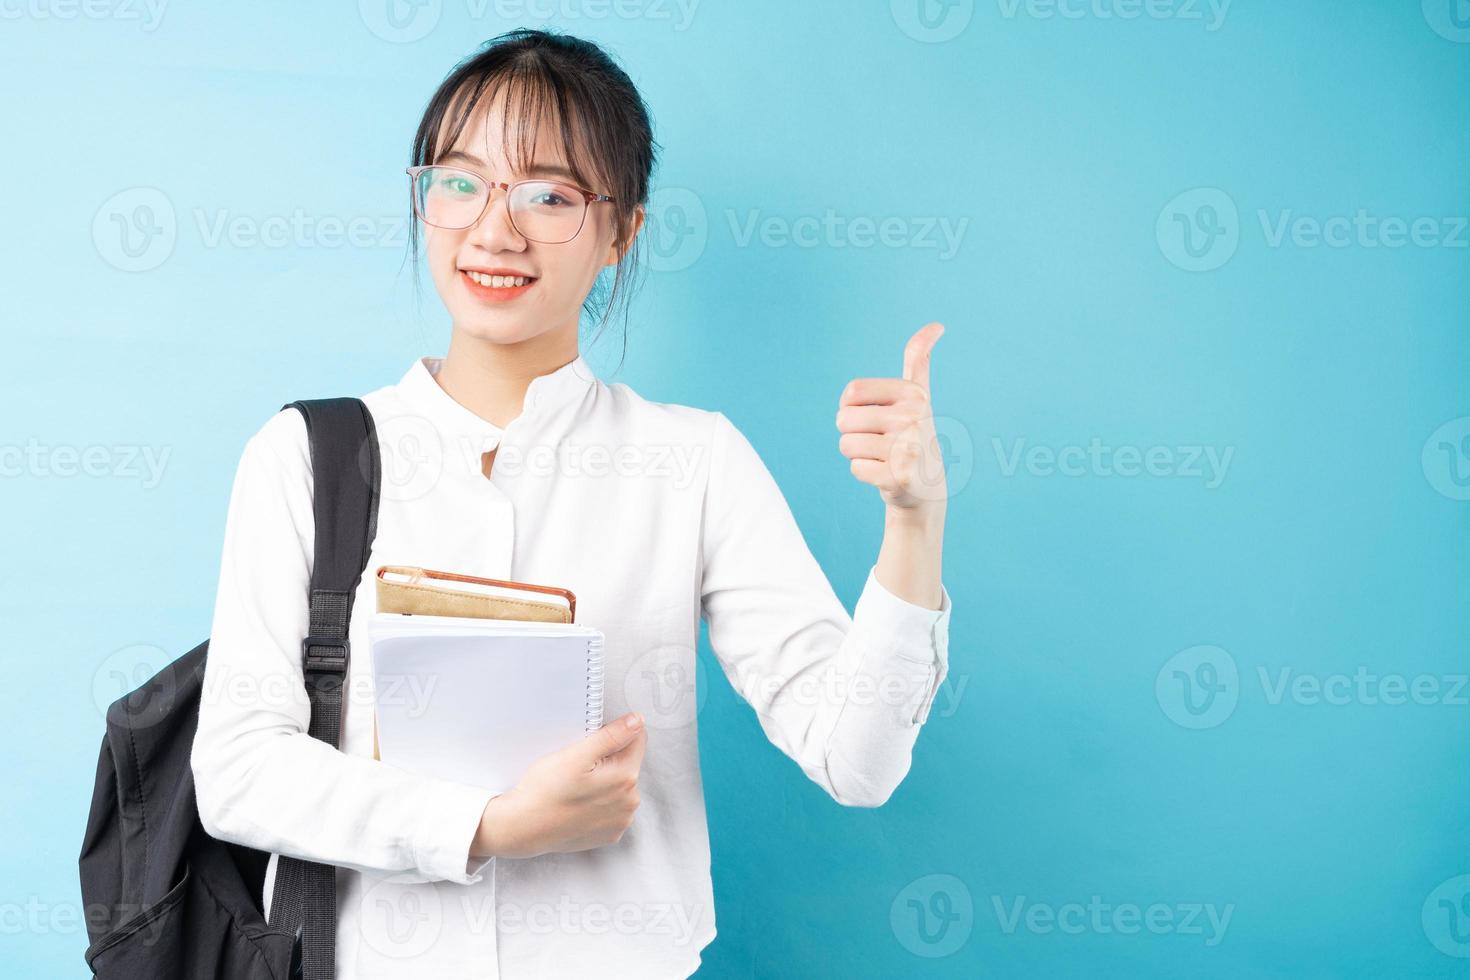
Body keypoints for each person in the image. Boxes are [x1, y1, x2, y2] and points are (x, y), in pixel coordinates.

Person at [190, 27, 953, 979]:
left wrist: (915, 523)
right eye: (461, 182)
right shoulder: (307, 457)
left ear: (621, 230)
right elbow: (237, 771)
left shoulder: (693, 460)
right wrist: (488, 827)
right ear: (423, 199)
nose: (495, 230)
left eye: (549, 195)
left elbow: (858, 759)